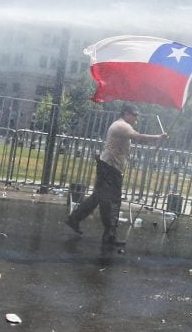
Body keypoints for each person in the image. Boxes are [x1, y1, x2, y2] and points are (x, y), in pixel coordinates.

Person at [65, 104, 168, 245]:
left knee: (98, 197)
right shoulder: (121, 126)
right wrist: (158, 137)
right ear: (125, 113)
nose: (136, 118)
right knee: (112, 201)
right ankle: (109, 235)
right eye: (134, 114)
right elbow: (138, 137)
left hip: (108, 166)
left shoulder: (122, 125)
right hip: (110, 168)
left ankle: (75, 218)